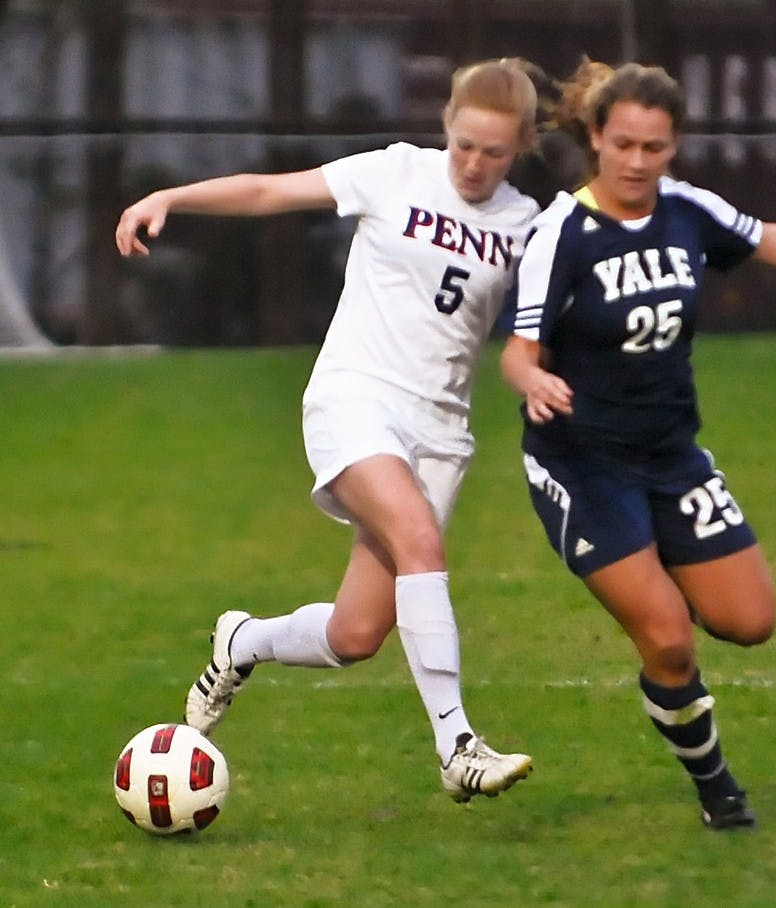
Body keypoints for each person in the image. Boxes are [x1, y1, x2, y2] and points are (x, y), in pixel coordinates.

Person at [500, 60, 776, 830]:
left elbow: (775, 241)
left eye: (654, 148)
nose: (637, 162)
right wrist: (531, 381)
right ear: (596, 138)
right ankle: (716, 787)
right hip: (583, 463)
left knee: (750, 620)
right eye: (623, 144)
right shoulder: (560, 233)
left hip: (670, 456)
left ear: (674, 148)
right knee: (668, 640)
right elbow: (516, 350)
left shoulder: (687, 210)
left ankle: (654, 577)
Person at [115, 59, 543, 803]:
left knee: (355, 636)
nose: (474, 164)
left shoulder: (527, 225)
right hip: (357, 398)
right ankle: (457, 746)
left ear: (521, 150)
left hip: (439, 433)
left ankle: (242, 641)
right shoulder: (396, 172)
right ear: (446, 127)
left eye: (494, 152)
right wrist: (171, 197)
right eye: (464, 145)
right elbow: (269, 191)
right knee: (419, 539)